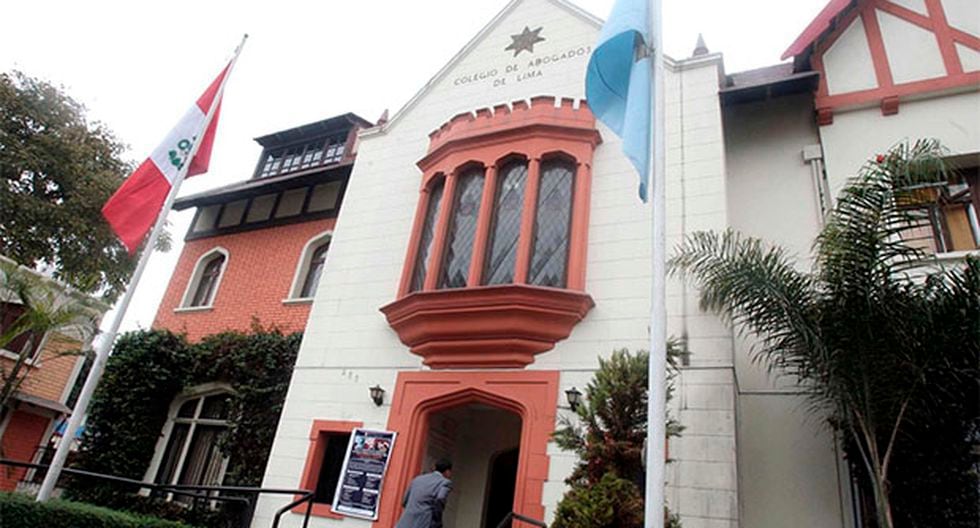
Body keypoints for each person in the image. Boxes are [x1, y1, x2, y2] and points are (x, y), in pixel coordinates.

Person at [395, 459, 453, 528]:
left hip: (406, 521)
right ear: (447, 471)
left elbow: (404, 501)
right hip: (424, 521)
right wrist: (437, 518)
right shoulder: (445, 482)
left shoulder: (417, 479)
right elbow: (440, 498)